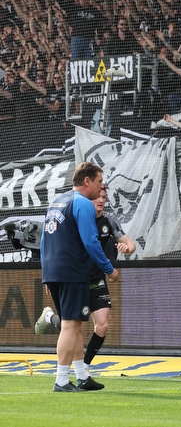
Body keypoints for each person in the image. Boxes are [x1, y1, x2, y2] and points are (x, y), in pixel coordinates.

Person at [35, 184, 135, 372]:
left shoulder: (109, 220)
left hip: (96, 280)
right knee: (73, 325)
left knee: (102, 325)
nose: (101, 200)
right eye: (98, 196)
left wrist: (126, 248)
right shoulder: (78, 213)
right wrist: (49, 274)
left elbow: (130, 244)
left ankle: (84, 367)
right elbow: (49, 242)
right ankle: (50, 318)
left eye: (104, 197)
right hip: (74, 278)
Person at [39, 162, 119, 392]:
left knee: (72, 326)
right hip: (72, 271)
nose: (101, 186)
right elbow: (90, 242)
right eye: (99, 182)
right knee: (70, 326)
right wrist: (109, 269)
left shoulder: (57, 201)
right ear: (87, 181)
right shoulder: (83, 203)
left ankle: (81, 376)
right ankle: (62, 380)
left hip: (55, 271)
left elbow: (44, 241)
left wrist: (46, 274)